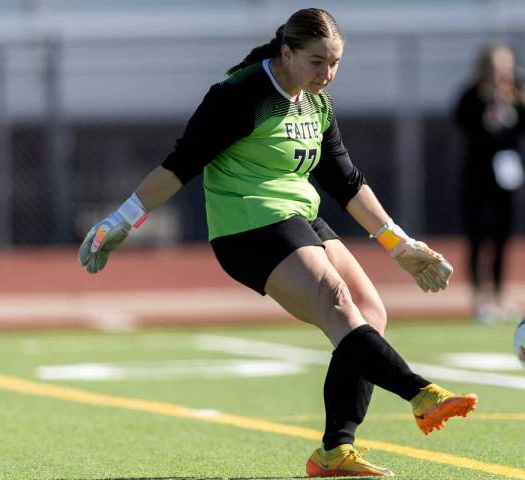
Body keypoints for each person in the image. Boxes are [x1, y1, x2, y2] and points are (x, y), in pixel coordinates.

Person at [78, 8, 477, 477]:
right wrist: (122, 220)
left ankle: (334, 452)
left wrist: (398, 243)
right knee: (337, 301)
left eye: (334, 63)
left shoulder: (316, 104)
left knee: (371, 312)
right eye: (316, 62)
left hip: (297, 217)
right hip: (247, 225)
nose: (326, 75)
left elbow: (346, 182)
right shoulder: (240, 95)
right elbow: (180, 165)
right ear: (285, 53)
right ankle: (421, 393)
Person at [453, 43, 525, 324]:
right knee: (478, 237)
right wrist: (485, 100)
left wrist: (523, 98)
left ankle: (501, 295)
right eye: (494, 66)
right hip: (478, 175)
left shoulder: (516, 94)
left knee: (502, 237)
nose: (500, 72)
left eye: (505, 66)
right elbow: (461, 120)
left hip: (507, 176)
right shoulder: (472, 95)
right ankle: (480, 299)